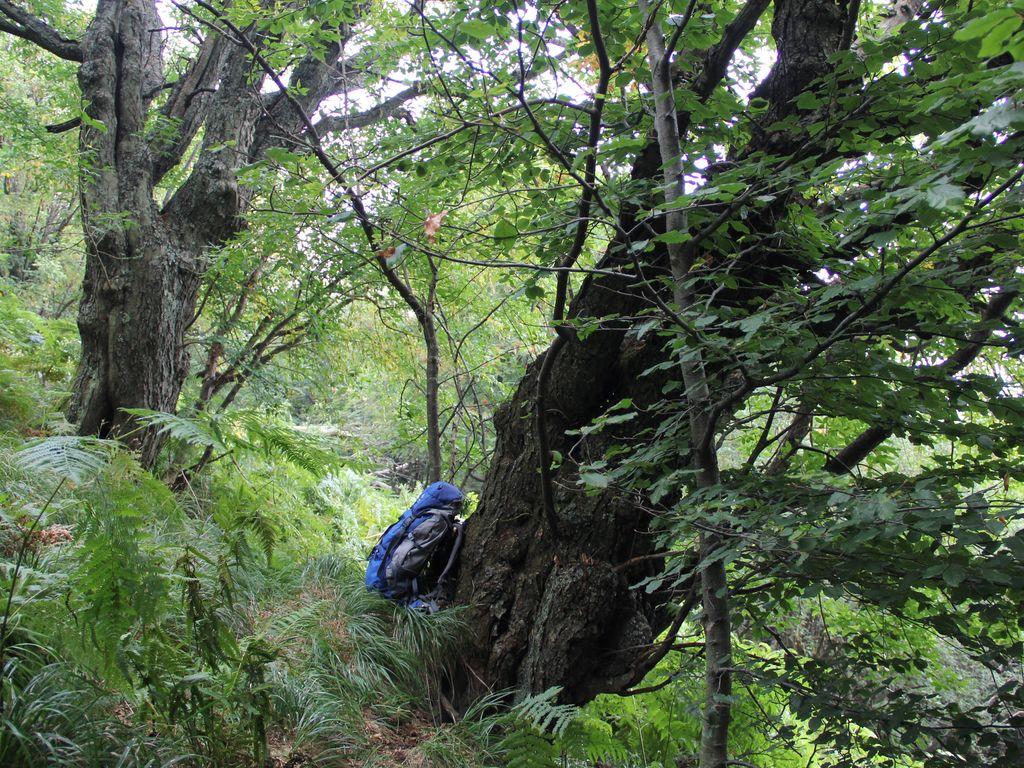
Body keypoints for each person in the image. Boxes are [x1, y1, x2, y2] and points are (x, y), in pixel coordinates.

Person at [364, 481, 465, 612]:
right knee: (431, 610)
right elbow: (401, 562)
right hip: (387, 586)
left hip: (374, 574)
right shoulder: (436, 521)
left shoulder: (420, 512)